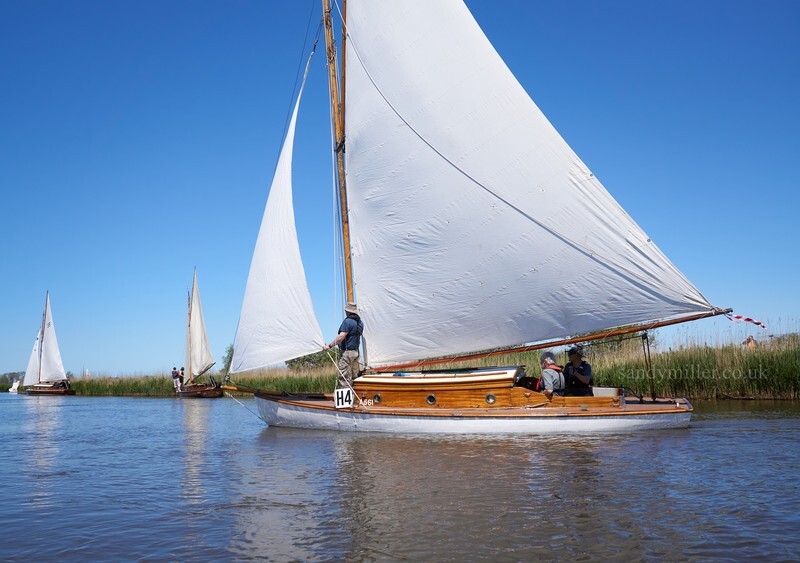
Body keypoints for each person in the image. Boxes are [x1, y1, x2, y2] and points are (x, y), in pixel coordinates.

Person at [323, 302, 364, 388]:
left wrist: (329, 346)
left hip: (347, 353)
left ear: (347, 311)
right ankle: (355, 395)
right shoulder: (360, 322)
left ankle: (347, 398)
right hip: (356, 353)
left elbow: (341, 337)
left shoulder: (348, 322)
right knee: (354, 376)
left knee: (344, 376)